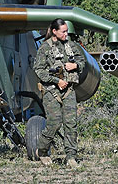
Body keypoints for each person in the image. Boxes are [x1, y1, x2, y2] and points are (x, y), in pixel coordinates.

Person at [33, 18, 85, 168]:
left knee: (71, 124)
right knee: (54, 124)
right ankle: (42, 151)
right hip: (51, 91)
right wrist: (56, 81)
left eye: (67, 31)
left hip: (68, 91)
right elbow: (39, 70)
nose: (66, 34)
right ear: (54, 32)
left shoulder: (71, 46)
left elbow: (82, 61)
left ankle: (71, 157)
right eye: (63, 31)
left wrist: (75, 64)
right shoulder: (45, 48)